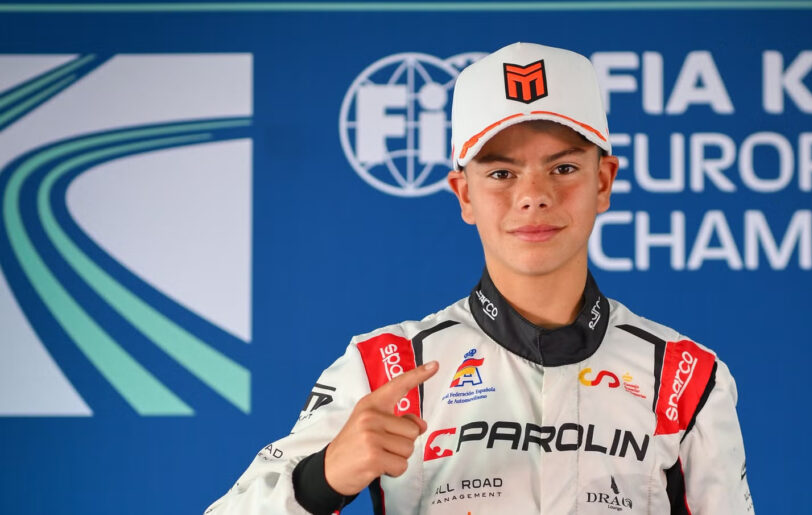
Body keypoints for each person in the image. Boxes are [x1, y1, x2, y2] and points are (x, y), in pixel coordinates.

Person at [206, 42, 753, 515]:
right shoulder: (388, 370)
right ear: (464, 193)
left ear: (603, 182)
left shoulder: (684, 377)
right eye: (501, 173)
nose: (533, 195)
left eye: (563, 168)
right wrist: (321, 478)